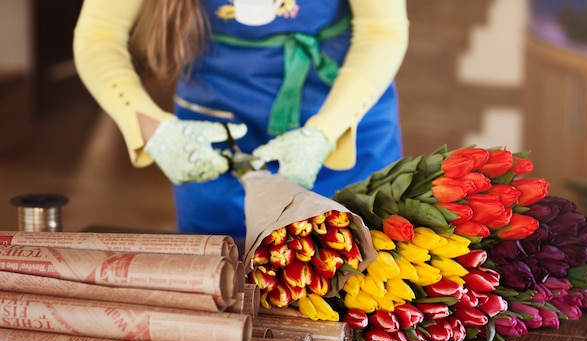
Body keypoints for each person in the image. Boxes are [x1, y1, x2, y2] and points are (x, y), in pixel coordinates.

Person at [73, 0, 409, 240]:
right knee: (223, 284)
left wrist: (325, 131)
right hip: (213, 125)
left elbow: (381, 30)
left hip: (345, 120)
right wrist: (151, 128)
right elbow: (100, 35)